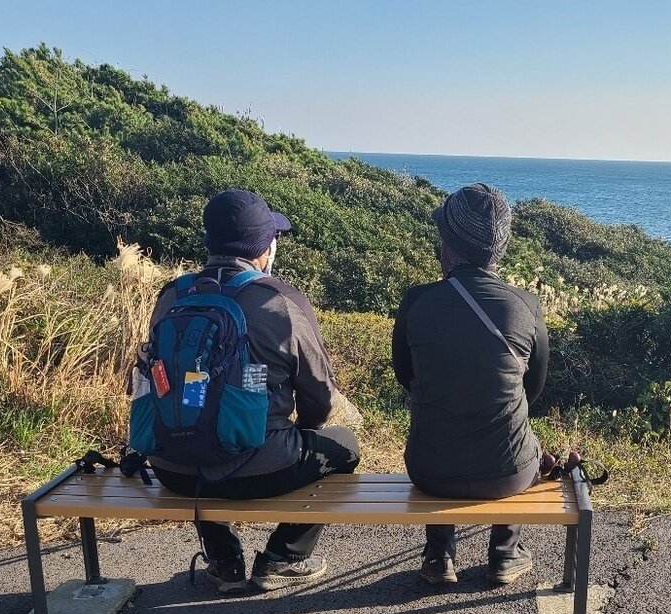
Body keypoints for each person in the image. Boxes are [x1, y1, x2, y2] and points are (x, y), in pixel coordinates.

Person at [149, 189, 359, 593]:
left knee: (194, 432)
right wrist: (304, 429)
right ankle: (285, 555)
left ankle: (224, 559)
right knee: (345, 447)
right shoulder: (280, 301)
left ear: (209, 243)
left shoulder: (172, 296)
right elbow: (321, 398)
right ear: (265, 247)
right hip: (262, 468)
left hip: (171, 468)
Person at [391, 183, 549, 585]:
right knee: (524, 438)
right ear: (500, 249)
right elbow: (532, 392)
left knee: (439, 420)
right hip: (507, 473)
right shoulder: (527, 306)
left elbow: (405, 378)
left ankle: (439, 555)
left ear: (447, 245)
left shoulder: (417, 302)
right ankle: (504, 554)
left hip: (430, 470)